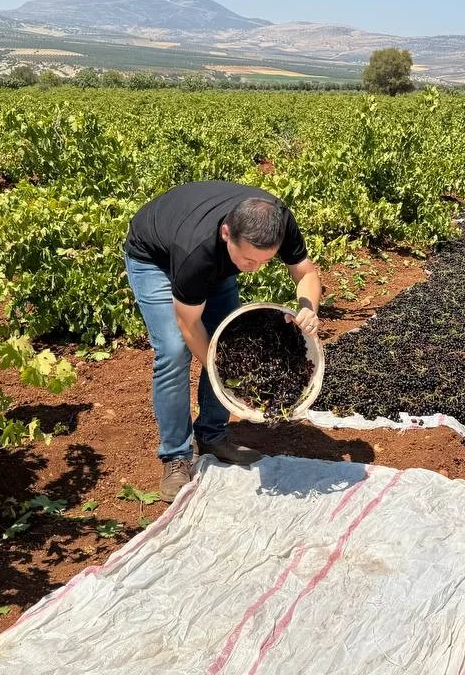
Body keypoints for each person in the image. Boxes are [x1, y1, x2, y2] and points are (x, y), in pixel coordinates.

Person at [123, 181, 321, 501]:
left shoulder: (278, 222)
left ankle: (213, 435)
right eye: (248, 261)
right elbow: (189, 326)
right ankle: (175, 456)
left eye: (264, 261)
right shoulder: (196, 254)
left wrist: (307, 307)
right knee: (174, 352)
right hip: (154, 258)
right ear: (227, 232)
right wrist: (230, 383)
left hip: (210, 255)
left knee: (228, 338)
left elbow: (306, 273)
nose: (254, 271)